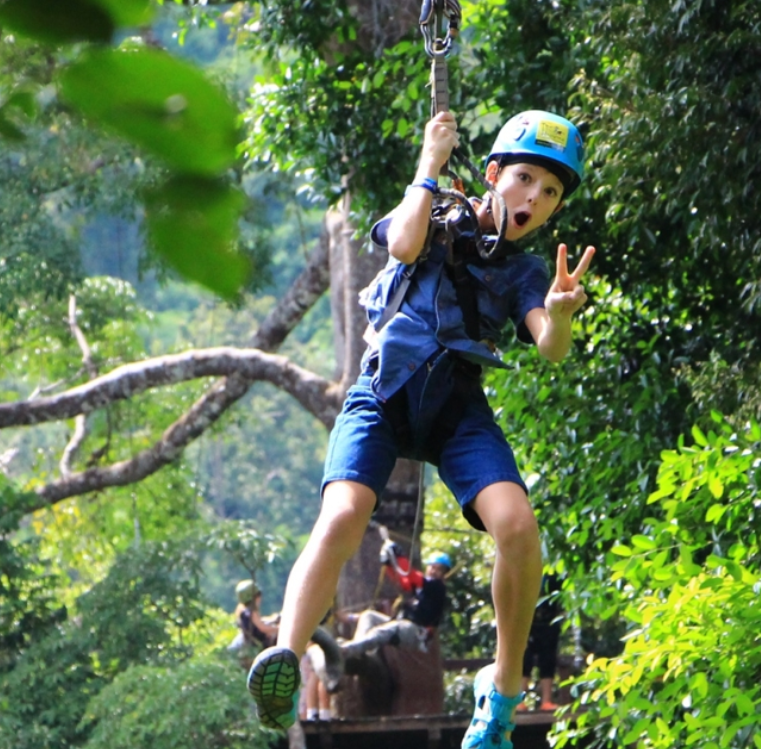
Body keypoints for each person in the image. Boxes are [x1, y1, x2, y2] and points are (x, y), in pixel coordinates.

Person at [246, 108, 594, 749]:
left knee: (517, 526)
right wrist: (429, 166)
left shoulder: (525, 272)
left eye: (550, 194)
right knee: (345, 513)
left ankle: (502, 690)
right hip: (382, 395)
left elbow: (549, 346)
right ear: (493, 175)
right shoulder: (434, 213)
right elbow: (402, 246)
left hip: (455, 411)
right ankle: (286, 660)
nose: (535, 200)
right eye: (524, 180)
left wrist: (563, 313)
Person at [340, 547, 454, 658]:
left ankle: (348, 650)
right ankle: (359, 650)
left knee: (381, 632)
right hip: (403, 624)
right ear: (427, 567)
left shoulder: (437, 587)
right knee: (368, 616)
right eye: (433, 567)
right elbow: (402, 582)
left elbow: (412, 575)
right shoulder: (421, 587)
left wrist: (399, 557)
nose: (435, 572)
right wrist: (389, 564)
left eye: (439, 570)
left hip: (416, 632)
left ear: (444, 574)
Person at [520, 571, 564, 711]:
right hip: (528, 621)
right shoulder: (526, 570)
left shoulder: (555, 574)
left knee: (548, 660)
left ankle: (546, 701)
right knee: (524, 660)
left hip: (549, 621)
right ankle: (518, 701)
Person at [230, 579, 277, 657]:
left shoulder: (244, 611)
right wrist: (280, 628)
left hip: (251, 643)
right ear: (255, 597)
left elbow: (258, 622)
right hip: (259, 645)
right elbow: (263, 628)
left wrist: (273, 619)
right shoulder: (252, 612)